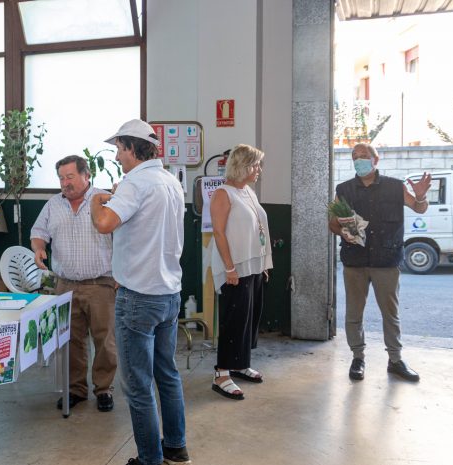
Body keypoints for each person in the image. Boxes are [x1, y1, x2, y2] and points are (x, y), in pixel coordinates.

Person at [90, 119, 191, 465]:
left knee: (137, 386)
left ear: (132, 148)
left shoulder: (135, 183)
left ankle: (150, 459)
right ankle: (176, 447)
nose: (117, 156)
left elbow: (104, 223)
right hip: (168, 294)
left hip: (138, 298)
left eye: (119, 148)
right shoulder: (169, 182)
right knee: (167, 373)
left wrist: (97, 200)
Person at [330, 143, 430, 382]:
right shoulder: (343, 189)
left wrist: (420, 195)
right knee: (354, 313)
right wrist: (342, 232)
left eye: (364, 156)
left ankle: (395, 360)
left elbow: (419, 209)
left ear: (376, 160)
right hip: (355, 260)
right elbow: (332, 223)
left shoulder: (395, 187)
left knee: (390, 313)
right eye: (355, 157)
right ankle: (358, 358)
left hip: (387, 260)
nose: (359, 160)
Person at [30, 155, 117, 412]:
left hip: (100, 283)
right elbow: (38, 233)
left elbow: (123, 237)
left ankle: (104, 390)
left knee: (105, 341)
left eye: (70, 176)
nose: (65, 183)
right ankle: (76, 389)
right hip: (65, 284)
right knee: (69, 340)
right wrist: (38, 249)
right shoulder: (53, 205)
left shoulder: (105, 200)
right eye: (61, 178)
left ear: (86, 175)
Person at [208, 144, 273, 400]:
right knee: (233, 319)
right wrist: (230, 268)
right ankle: (222, 373)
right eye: (256, 165)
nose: (259, 170)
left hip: (253, 266)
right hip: (235, 268)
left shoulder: (247, 191)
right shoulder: (223, 194)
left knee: (249, 319)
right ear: (243, 165)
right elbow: (219, 232)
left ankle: (240, 363)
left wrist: (263, 264)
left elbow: (258, 228)